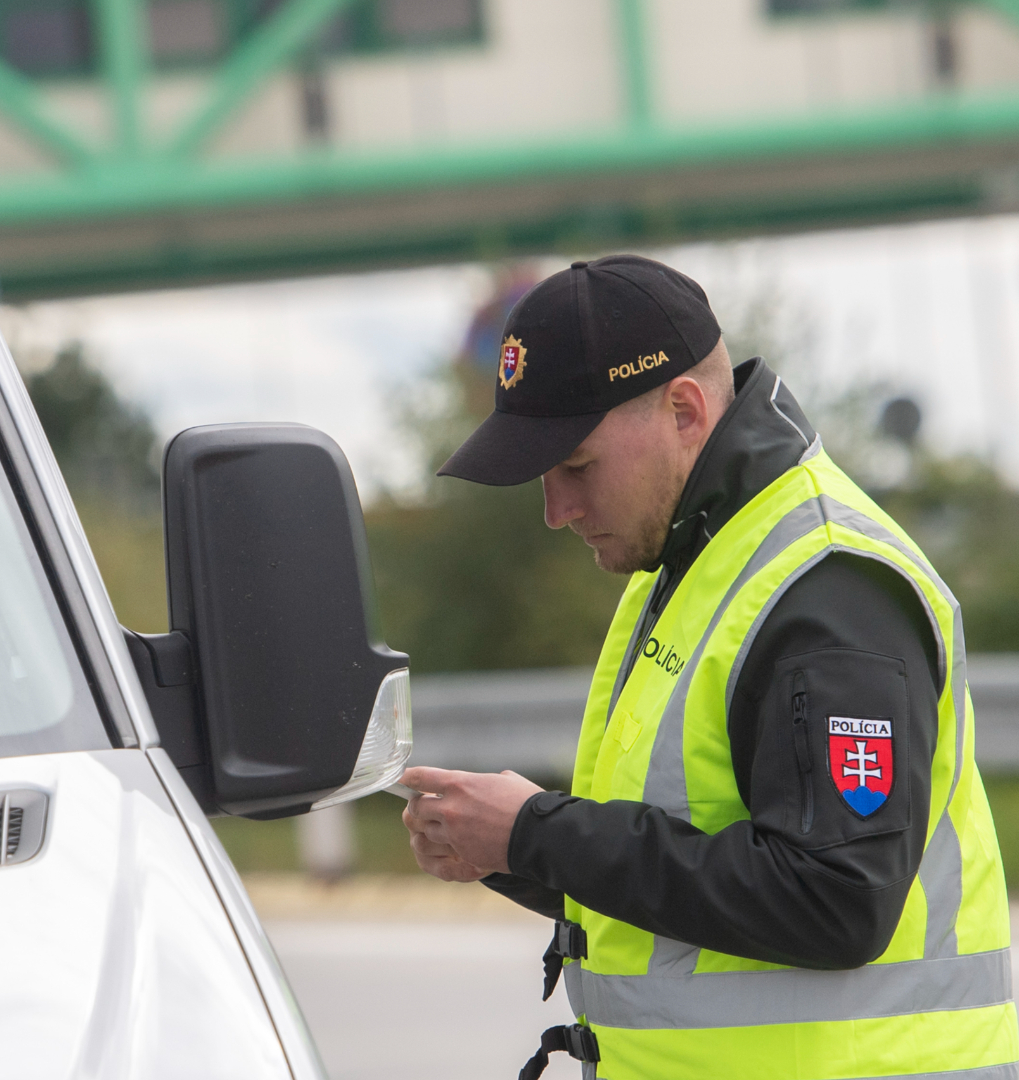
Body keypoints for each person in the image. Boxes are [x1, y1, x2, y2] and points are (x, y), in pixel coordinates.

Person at [399, 255, 1016, 1079]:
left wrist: (538, 831)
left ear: (685, 410)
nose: (556, 510)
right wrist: (520, 850)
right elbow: (696, 872)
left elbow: (835, 901)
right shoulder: (697, 563)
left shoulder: (823, 584)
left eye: (576, 465)